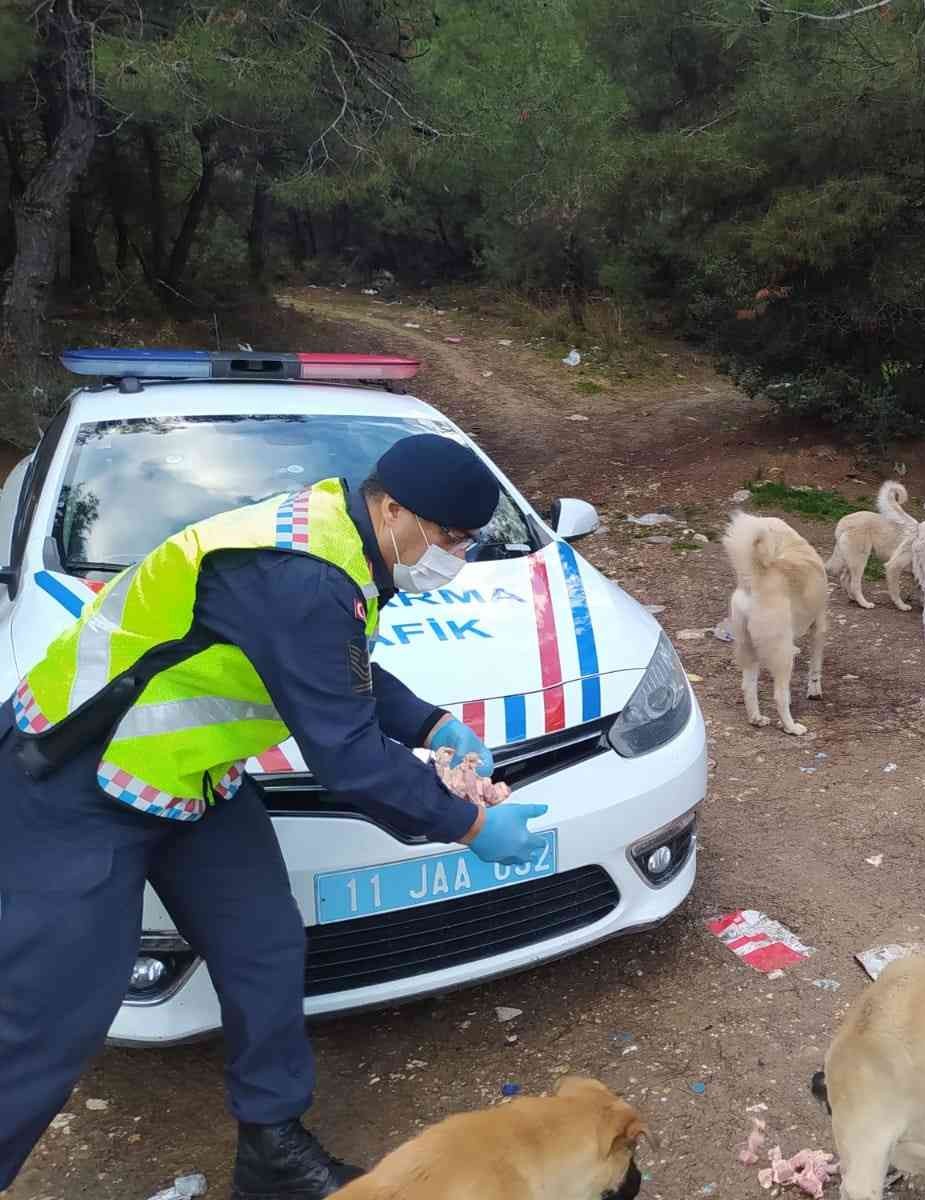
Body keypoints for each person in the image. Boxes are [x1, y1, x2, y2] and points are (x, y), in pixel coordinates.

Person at [0, 434, 551, 1198]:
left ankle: (271, 1151)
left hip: (192, 782)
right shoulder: (301, 572)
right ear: (393, 509)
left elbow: (338, 660)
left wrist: (431, 726)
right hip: (76, 778)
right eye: (449, 539)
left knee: (262, 943)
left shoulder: (347, 539)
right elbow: (349, 758)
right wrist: (471, 827)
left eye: (466, 542)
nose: (453, 556)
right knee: (52, 1014)